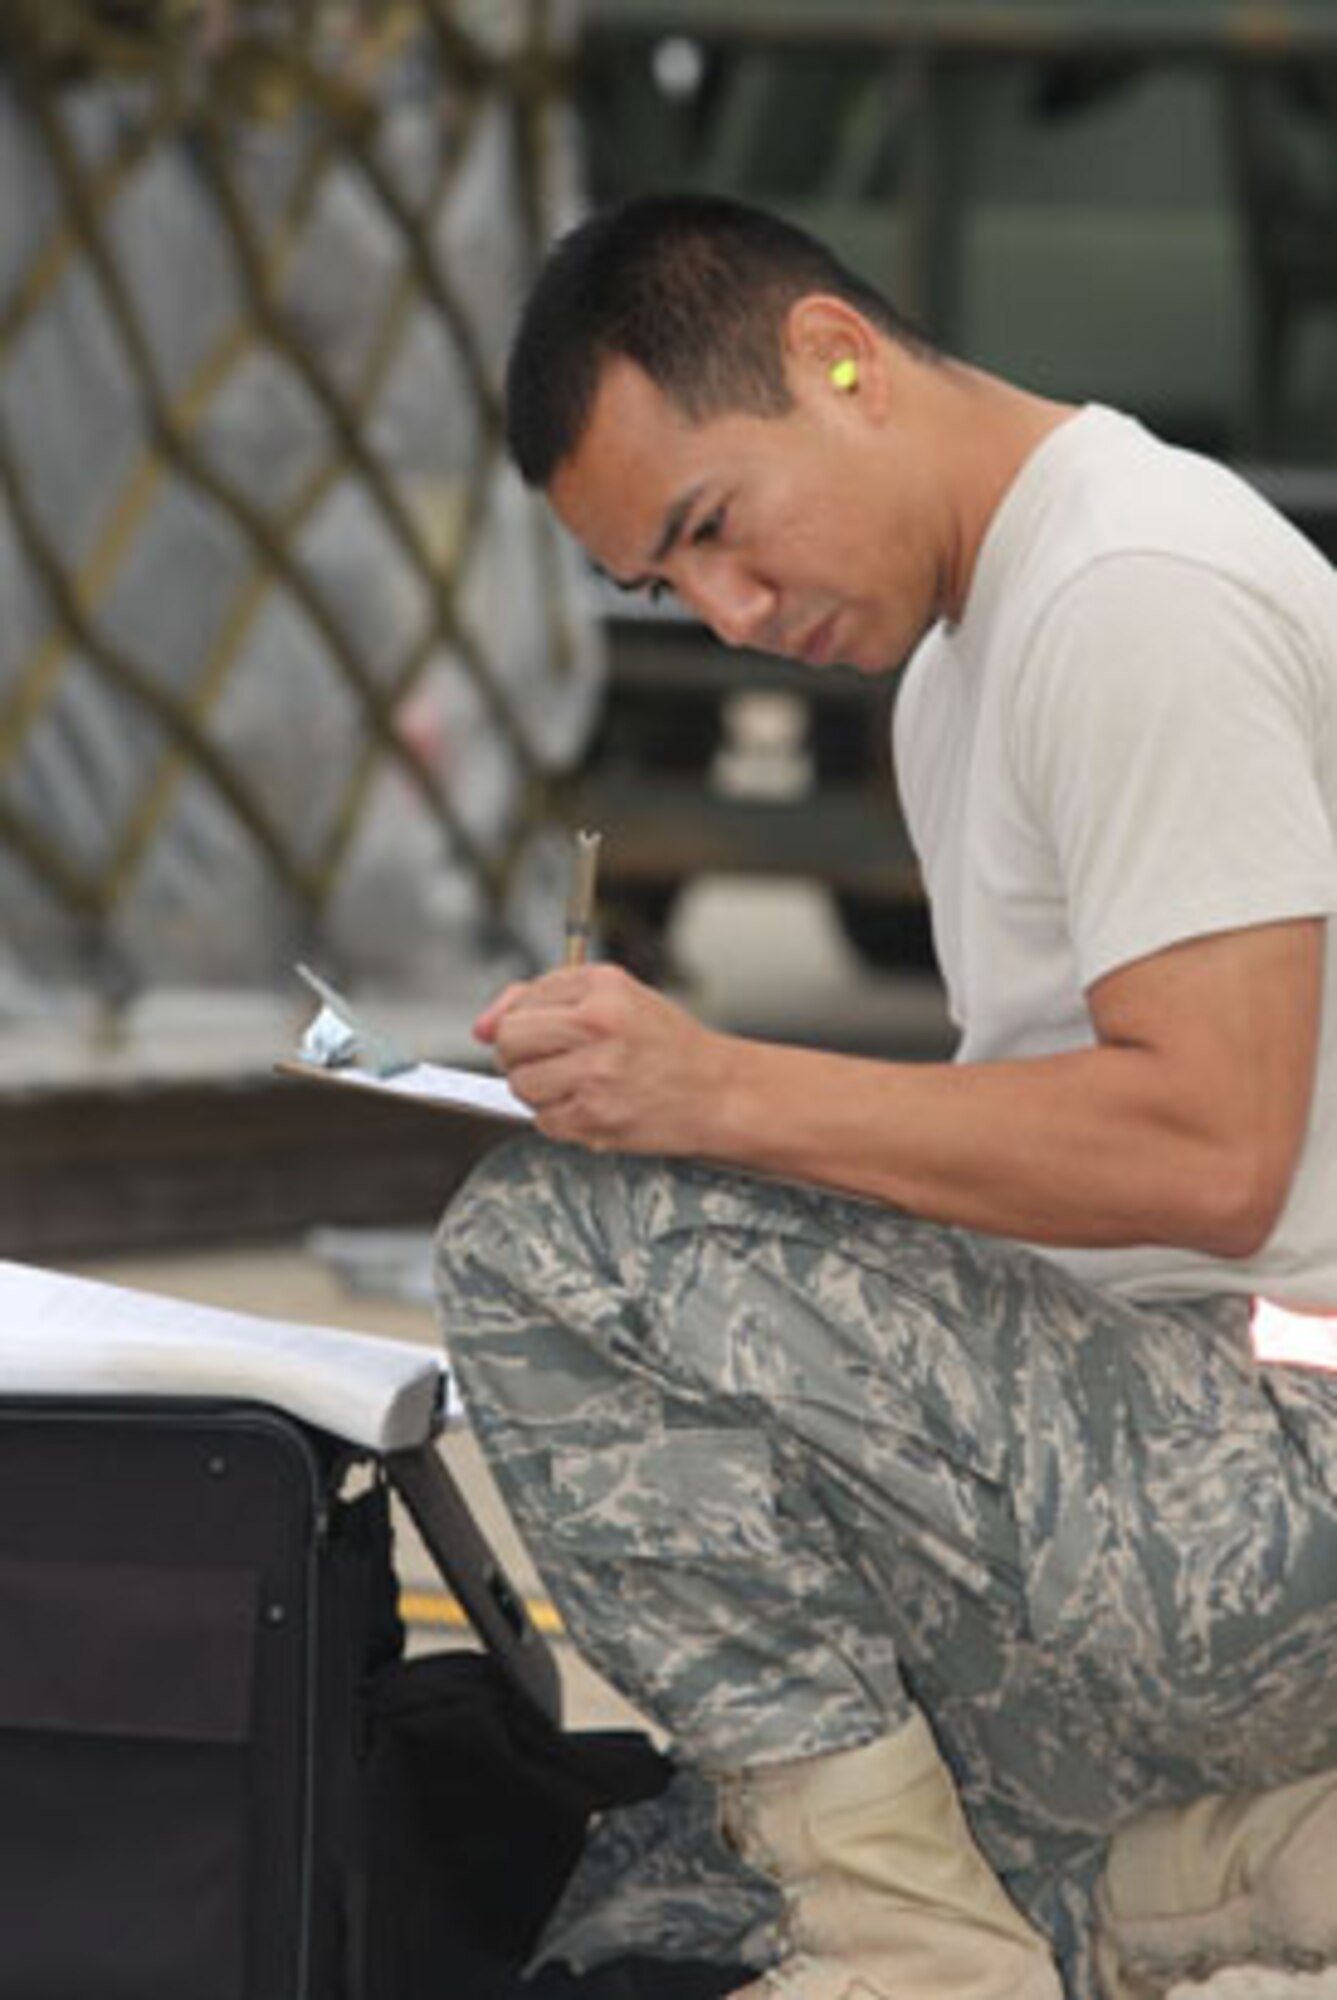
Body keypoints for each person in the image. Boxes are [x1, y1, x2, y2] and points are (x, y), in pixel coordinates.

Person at [432, 192, 1337, 2000]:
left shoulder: (1129, 590)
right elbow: (1044, 1153)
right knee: (643, 1918)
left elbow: (1210, 1149)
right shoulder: (959, 660)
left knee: (549, 1254)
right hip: (1175, 1458)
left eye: (712, 531)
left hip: (1283, 1468)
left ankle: (924, 1951)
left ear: (834, 358)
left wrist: (719, 1097)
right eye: (663, 588)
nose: (730, 612)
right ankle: (1211, 1869)